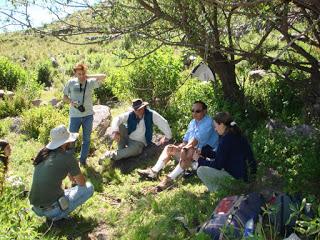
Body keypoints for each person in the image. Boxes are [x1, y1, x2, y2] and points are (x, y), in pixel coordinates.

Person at [138, 101, 219, 191]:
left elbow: (195, 141)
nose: (194, 113)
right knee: (169, 148)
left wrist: (184, 149)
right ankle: (153, 172)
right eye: (192, 111)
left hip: (205, 157)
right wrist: (180, 146)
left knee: (189, 151)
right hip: (193, 154)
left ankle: (169, 179)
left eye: (197, 111)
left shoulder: (208, 122)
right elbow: (186, 139)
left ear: (205, 111)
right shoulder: (192, 122)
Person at [29, 125, 94, 222]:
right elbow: (82, 183)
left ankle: (53, 212)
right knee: (89, 187)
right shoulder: (68, 157)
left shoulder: (43, 154)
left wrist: (68, 172)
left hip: (36, 208)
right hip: (52, 210)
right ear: (66, 142)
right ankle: (57, 216)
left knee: (67, 190)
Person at [195, 112, 257, 192]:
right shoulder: (237, 134)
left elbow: (217, 165)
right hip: (248, 178)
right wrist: (204, 152)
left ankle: (220, 193)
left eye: (215, 126)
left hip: (239, 182)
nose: (215, 129)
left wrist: (199, 160)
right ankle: (226, 191)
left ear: (221, 124)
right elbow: (221, 156)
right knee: (218, 167)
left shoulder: (225, 140)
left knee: (201, 170)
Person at [99, 98, 172, 162]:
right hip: (128, 137)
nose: (139, 111)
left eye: (141, 108)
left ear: (144, 107)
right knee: (120, 125)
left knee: (134, 150)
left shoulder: (151, 114)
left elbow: (163, 122)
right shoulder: (130, 114)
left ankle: (109, 155)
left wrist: (168, 136)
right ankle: (121, 151)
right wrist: (115, 131)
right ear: (134, 110)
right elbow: (117, 118)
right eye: (137, 109)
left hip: (138, 143)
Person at [63, 63, 106, 166]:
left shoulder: (90, 82)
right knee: (71, 139)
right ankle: (70, 161)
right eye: (79, 74)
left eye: (83, 73)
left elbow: (103, 76)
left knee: (86, 139)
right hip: (74, 116)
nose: (81, 76)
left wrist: (89, 76)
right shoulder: (71, 83)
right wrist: (71, 102)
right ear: (75, 74)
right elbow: (64, 97)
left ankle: (82, 161)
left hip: (88, 115)